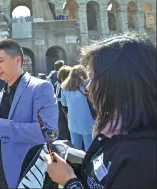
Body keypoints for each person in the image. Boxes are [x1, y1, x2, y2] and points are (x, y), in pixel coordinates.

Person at [46, 33, 157, 189]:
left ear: (119, 81)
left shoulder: (143, 158)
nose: (88, 87)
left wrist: (69, 181)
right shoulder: (114, 130)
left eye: (92, 78)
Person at [0, 39, 58, 189]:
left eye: (1, 60)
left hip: (26, 175)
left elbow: (48, 133)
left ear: (18, 60)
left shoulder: (40, 87)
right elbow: (3, 130)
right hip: (1, 174)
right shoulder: (3, 91)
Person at [61, 65, 95, 151]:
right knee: (89, 148)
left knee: (75, 149)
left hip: (72, 120)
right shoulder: (87, 85)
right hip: (87, 120)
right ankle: (88, 164)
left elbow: (64, 103)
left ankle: (76, 164)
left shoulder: (64, 87)